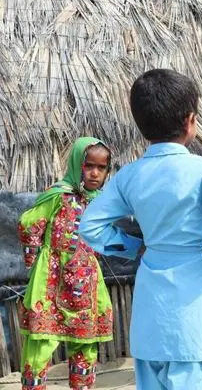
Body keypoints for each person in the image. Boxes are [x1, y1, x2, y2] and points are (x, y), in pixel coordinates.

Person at [79, 69, 202, 388]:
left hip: (151, 315)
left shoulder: (129, 175)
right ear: (190, 121)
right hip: (193, 313)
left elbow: (91, 227)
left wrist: (134, 247)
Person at [17, 137, 113, 390]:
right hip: (51, 278)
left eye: (101, 168)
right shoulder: (58, 196)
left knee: (85, 342)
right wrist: (35, 255)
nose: (94, 173)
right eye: (88, 165)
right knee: (41, 341)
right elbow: (29, 221)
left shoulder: (101, 201)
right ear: (76, 165)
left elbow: (106, 235)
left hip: (87, 281)